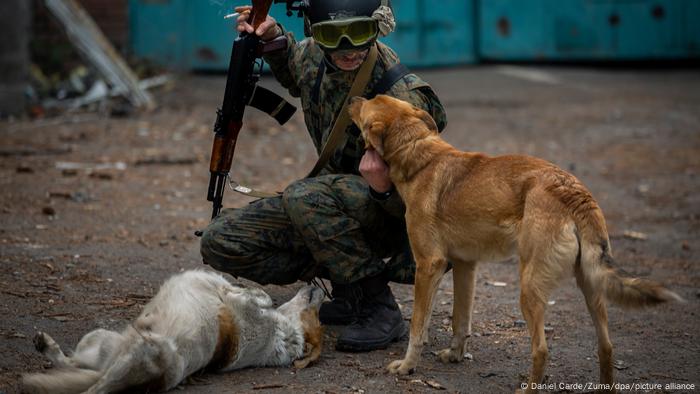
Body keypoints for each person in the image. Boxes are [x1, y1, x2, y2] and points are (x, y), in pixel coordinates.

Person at [200, 0, 447, 352]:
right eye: (332, 36)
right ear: (314, 33)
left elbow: (429, 198)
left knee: (304, 196)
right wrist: (273, 36)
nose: (348, 49)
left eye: (359, 32)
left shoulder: (400, 98)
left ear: (379, 25)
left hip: (398, 217)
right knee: (220, 239)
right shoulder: (315, 54)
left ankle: (378, 304)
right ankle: (347, 285)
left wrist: (381, 190)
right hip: (327, 207)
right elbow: (295, 70)